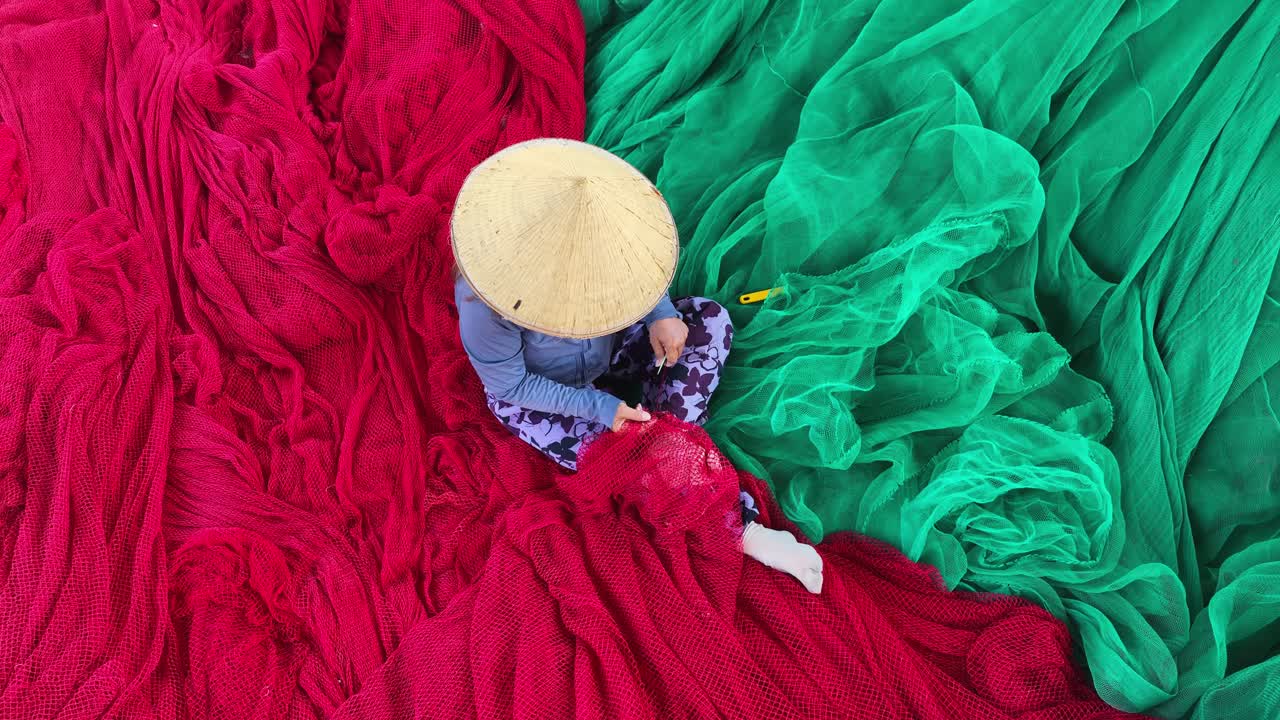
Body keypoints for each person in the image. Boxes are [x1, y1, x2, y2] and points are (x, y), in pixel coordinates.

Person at [451, 138, 823, 594]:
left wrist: (660, 313)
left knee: (710, 319)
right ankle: (737, 523)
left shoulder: (605, 224)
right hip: (546, 395)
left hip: (613, 350)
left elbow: (639, 274)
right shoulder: (482, 304)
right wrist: (600, 408)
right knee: (618, 460)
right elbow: (511, 385)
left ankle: (667, 440)